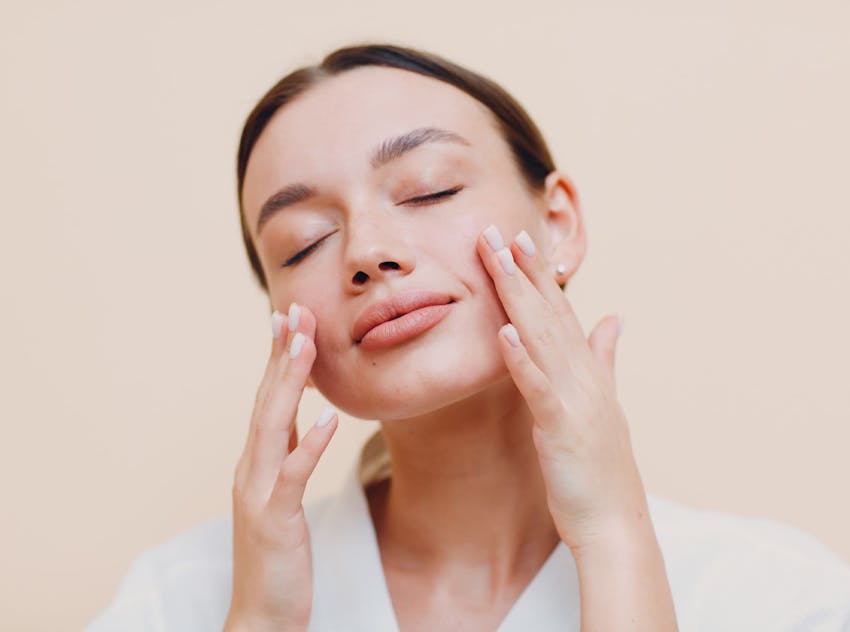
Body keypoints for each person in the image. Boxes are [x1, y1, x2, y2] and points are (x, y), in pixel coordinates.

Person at [85, 43, 850, 631]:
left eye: (430, 190)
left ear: (558, 224)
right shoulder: (177, 600)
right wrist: (261, 621)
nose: (366, 252)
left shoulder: (780, 596)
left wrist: (615, 542)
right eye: (303, 242)